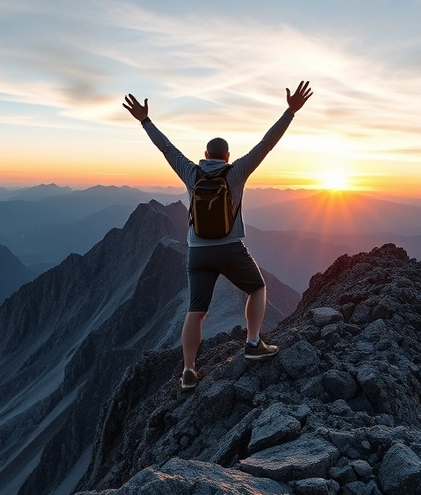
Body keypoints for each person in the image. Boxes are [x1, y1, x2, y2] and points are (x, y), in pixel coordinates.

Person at [122, 81, 313, 391]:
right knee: (257, 288)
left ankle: (188, 371)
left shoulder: (191, 172)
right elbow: (267, 143)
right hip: (230, 248)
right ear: (227, 156)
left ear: (206, 154)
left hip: (197, 252)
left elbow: (166, 148)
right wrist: (290, 111)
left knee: (196, 311)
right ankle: (253, 343)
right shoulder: (236, 172)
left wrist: (145, 120)